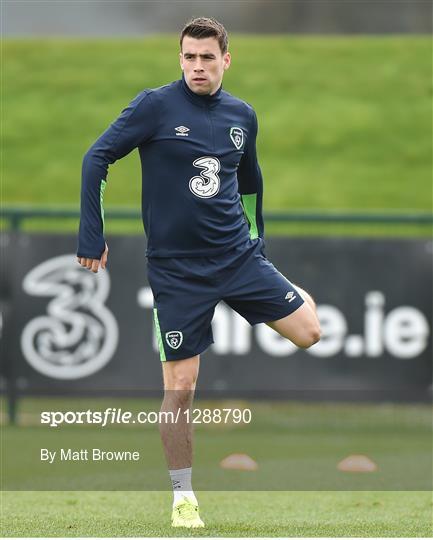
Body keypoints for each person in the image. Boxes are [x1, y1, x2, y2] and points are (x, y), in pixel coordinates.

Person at [77, 17, 321, 528]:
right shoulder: (154, 106)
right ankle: (182, 498)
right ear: (179, 58)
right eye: (189, 56)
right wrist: (91, 234)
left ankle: (288, 288)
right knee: (181, 388)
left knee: (309, 333)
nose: (197, 66)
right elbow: (96, 158)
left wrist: (258, 243)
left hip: (237, 258)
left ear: (226, 60)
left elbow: (251, 181)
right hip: (177, 272)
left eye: (207, 57)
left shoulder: (242, 115)